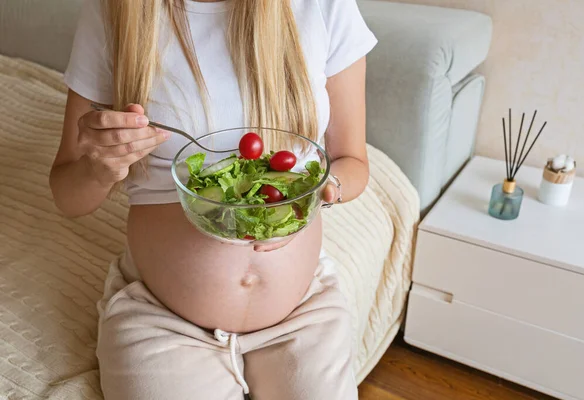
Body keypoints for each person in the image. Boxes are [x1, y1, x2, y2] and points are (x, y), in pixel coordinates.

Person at [49, 0, 377, 398]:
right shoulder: (113, 11)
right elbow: (69, 196)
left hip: (301, 310)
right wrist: (101, 168)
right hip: (161, 317)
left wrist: (317, 196)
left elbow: (353, 162)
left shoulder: (323, 6)